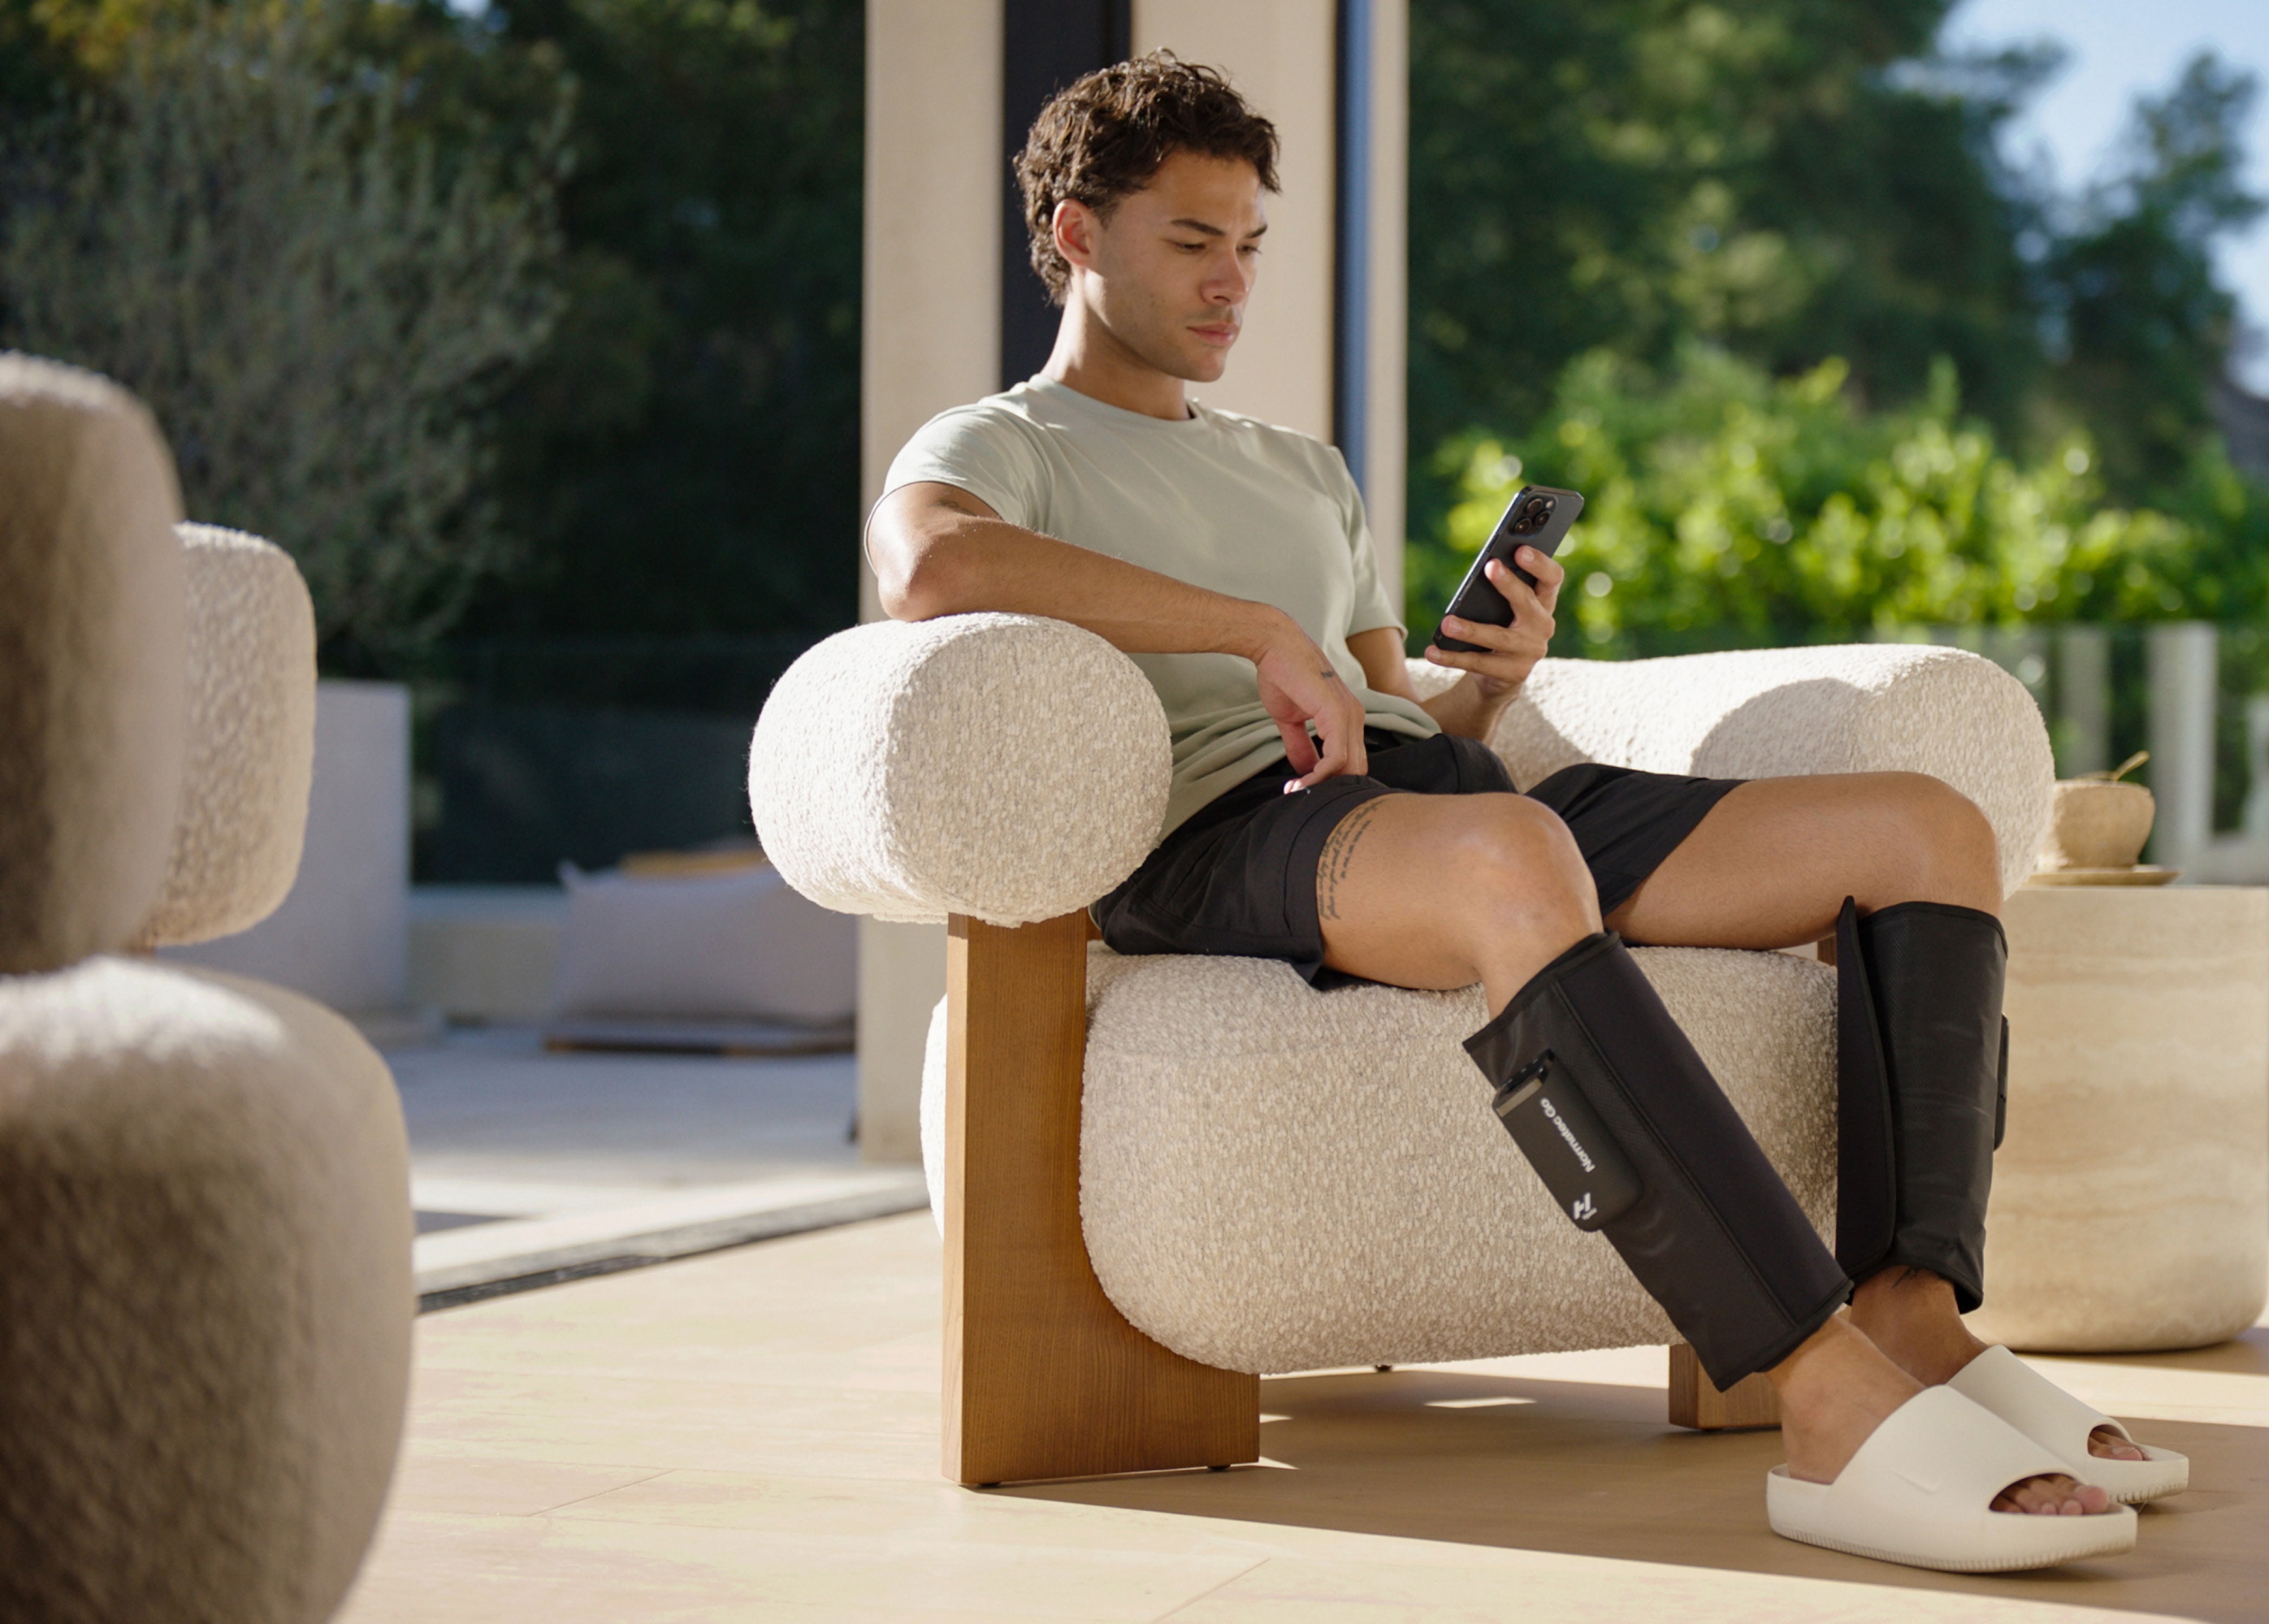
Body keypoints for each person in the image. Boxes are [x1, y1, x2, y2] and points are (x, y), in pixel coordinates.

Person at [866, 51, 2183, 1572]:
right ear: (1080, 236)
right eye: (1190, 243)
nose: (1233, 283)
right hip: (1222, 832)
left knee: (1930, 829)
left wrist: (1490, 678)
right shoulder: (1002, 445)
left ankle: (1915, 1316)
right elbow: (930, 571)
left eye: (1250, 246)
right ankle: (1820, 1398)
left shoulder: (1302, 471)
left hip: (1438, 804)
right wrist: (1246, 628)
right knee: (1513, 852)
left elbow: (1405, 708)